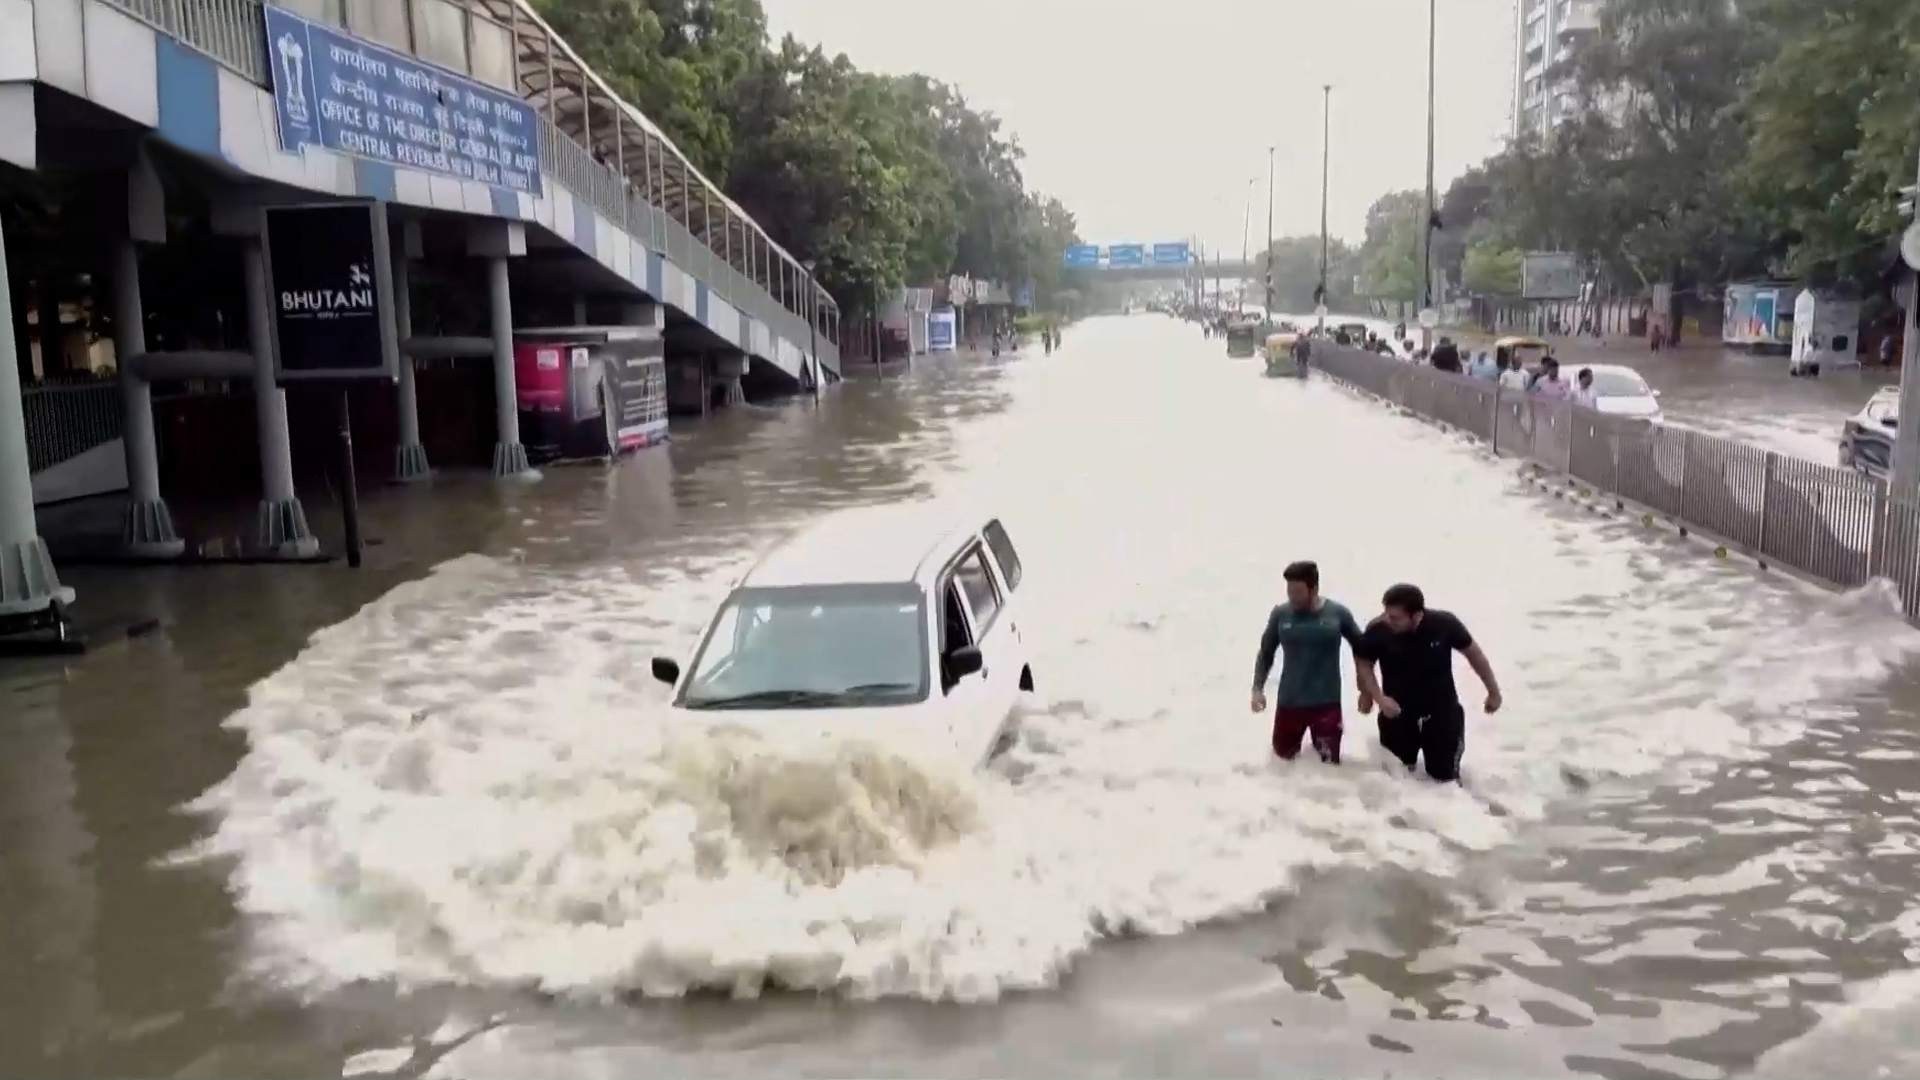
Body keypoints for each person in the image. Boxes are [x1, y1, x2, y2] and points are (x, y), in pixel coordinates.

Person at [1354, 583, 1502, 784]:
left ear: (1415, 615)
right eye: (1387, 614)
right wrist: (1376, 696)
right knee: (1397, 779)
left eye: (1396, 617)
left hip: (1442, 710)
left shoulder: (1444, 624)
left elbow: (1474, 655)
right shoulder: (1378, 628)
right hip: (1397, 712)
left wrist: (1493, 691)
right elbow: (1364, 663)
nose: (1389, 621)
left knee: (1444, 780)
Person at [1250, 561, 1387, 765]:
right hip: (1290, 703)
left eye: (1297, 591)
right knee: (1280, 767)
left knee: (1329, 769)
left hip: (1327, 705)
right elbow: (1266, 652)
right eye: (1289, 591)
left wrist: (1366, 691)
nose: (1292, 597)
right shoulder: (1281, 614)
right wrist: (1257, 689)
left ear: (1313, 588)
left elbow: (1362, 650)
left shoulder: (1337, 614)